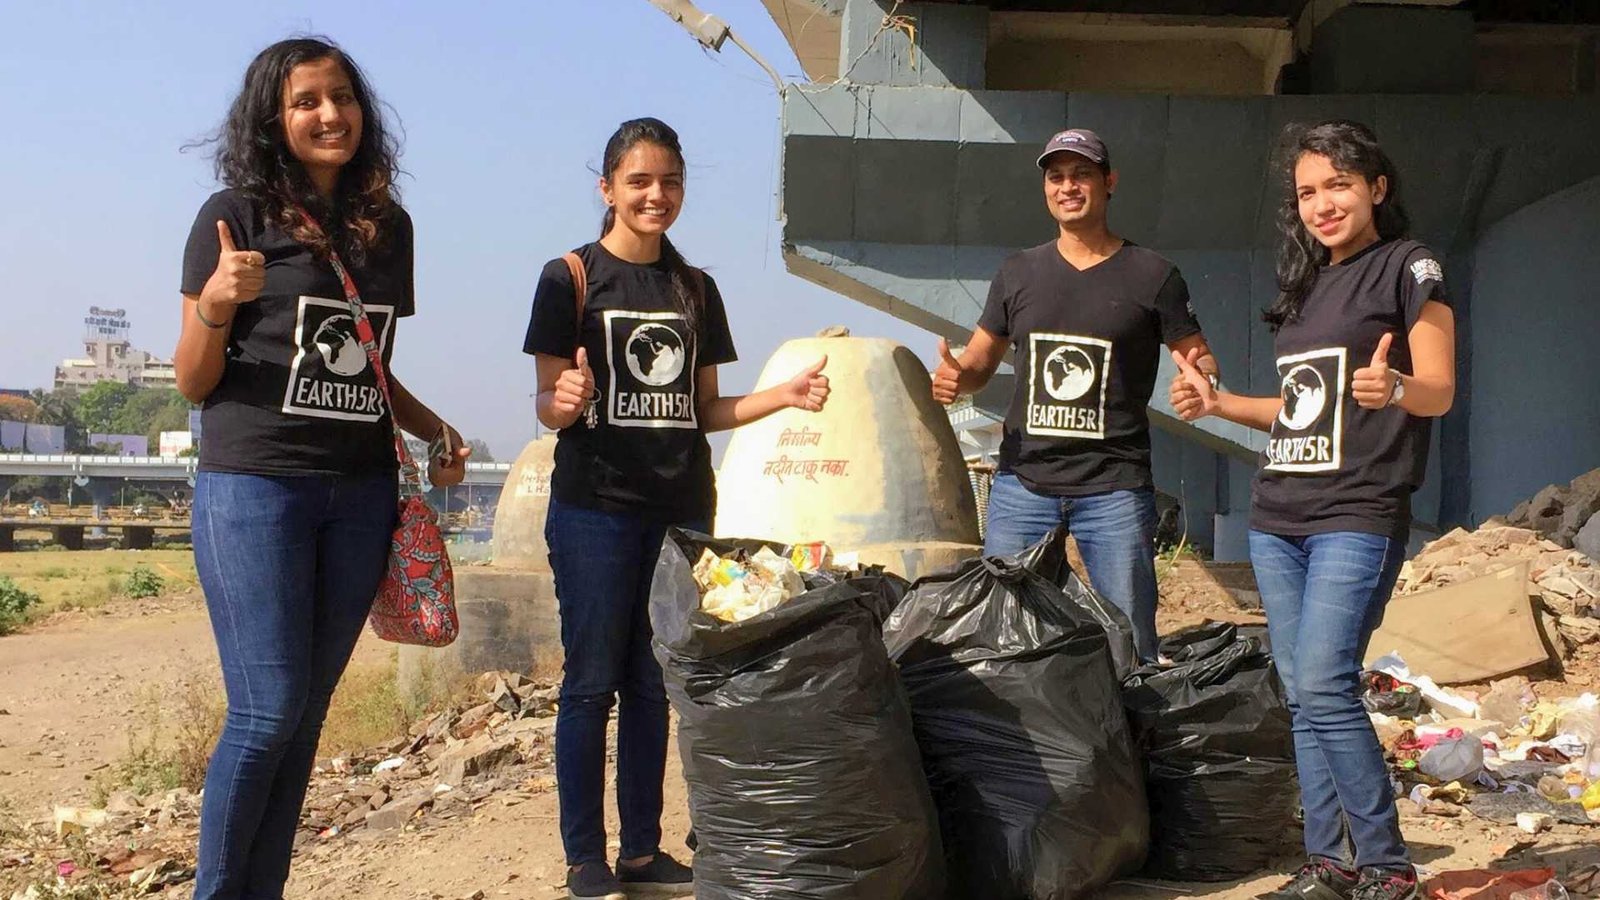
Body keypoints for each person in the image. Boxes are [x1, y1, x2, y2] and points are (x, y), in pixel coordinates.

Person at [174, 37, 469, 900]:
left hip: (360, 494)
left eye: (342, 97)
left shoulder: (388, 227)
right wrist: (219, 304)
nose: (329, 114)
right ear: (275, 116)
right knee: (266, 710)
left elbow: (369, 367)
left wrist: (436, 430)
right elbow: (194, 379)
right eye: (307, 100)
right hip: (254, 488)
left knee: (302, 721)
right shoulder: (232, 216)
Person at [523, 117, 831, 900]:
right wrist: (563, 399)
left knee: (656, 685)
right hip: (594, 509)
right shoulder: (569, 279)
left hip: (683, 514)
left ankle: (641, 851)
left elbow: (705, 411)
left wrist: (783, 397)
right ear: (608, 189)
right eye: (639, 182)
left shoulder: (695, 290)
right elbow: (548, 403)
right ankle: (585, 857)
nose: (655, 195)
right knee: (591, 683)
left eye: (669, 182)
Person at [1170, 119, 1455, 900]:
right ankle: (1328, 863)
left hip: (1357, 511)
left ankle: (1387, 869)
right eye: (1306, 193)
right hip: (1279, 515)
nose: (1322, 204)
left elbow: (1438, 387)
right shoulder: (1304, 288)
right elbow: (1299, 410)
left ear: (1376, 188)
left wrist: (1396, 388)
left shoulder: (1409, 266)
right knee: (1301, 694)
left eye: (1338, 185)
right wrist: (1220, 401)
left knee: (1326, 683)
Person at [932, 127, 1219, 661]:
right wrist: (957, 377)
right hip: (1023, 485)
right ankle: (1014, 741)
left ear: (1108, 183)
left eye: (1081, 174)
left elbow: (1195, 354)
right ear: (1046, 188)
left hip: (1114, 486)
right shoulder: (1018, 272)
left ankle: (1130, 734)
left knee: (1126, 637)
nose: (1068, 186)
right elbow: (978, 360)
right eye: (1056, 176)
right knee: (1002, 629)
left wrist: (1201, 377)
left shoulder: (1153, 275)